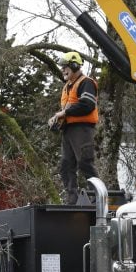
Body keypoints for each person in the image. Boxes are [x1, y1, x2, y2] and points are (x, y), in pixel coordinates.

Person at [48, 51, 99, 205]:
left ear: (75, 65)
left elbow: (87, 105)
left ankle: (97, 197)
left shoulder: (86, 82)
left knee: (85, 162)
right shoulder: (67, 87)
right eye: (62, 67)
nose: (63, 70)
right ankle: (72, 199)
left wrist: (64, 112)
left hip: (82, 129)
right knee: (66, 165)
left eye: (65, 66)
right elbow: (68, 110)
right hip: (68, 130)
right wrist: (56, 120)